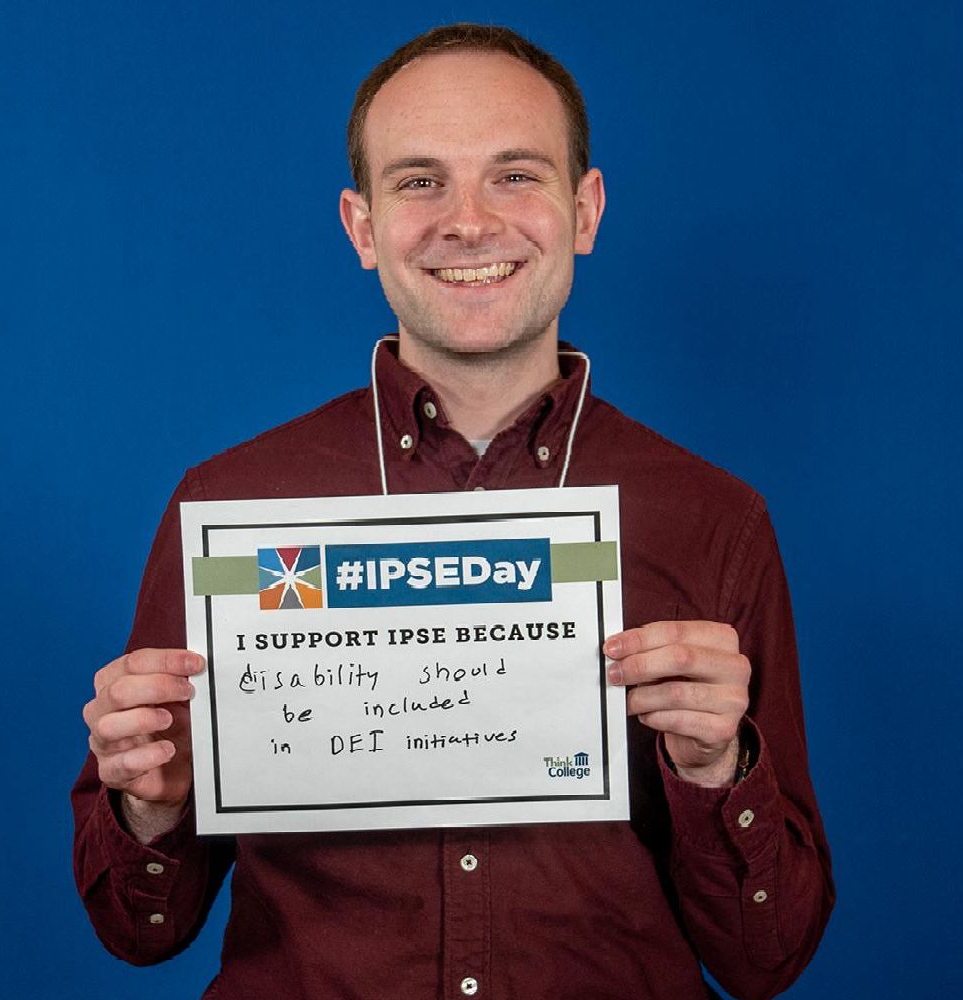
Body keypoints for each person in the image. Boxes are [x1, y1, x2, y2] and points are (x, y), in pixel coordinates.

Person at [73, 23, 833, 1000]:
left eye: (514, 174)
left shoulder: (712, 517)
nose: (467, 222)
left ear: (584, 208)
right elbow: (139, 932)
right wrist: (150, 807)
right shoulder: (230, 510)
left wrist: (716, 768)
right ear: (361, 225)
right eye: (420, 180)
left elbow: (765, 958)